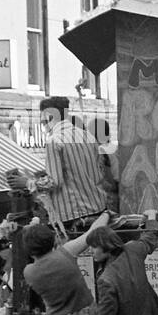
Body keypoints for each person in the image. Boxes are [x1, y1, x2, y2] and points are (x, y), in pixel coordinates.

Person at [40, 96, 105, 226]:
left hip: (73, 214)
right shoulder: (88, 136)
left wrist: (28, 182)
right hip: (99, 208)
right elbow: (97, 170)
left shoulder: (54, 141)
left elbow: (54, 182)